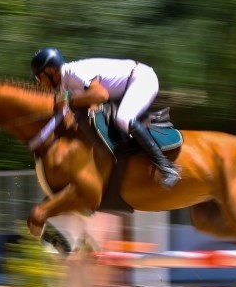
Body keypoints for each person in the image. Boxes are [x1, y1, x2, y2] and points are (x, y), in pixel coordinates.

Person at [30, 47, 181, 189]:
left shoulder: (73, 73)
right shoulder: (64, 85)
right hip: (126, 87)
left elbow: (101, 95)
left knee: (123, 118)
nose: (40, 84)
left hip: (141, 79)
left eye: (39, 78)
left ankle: (167, 167)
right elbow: (64, 113)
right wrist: (38, 140)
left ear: (50, 71)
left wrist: (69, 100)